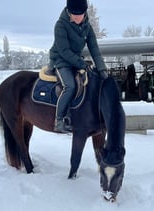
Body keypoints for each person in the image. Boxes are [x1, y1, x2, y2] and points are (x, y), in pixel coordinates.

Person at [49, 0, 108, 133]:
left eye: (80, 14)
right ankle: (59, 120)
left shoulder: (87, 26)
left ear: (85, 12)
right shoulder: (60, 25)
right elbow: (64, 51)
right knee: (70, 86)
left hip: (75, 60)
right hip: (61, 60)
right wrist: (82, 63)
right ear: (68, 12)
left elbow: (94, 49)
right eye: (73, 14)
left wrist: (102, 69)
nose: (76, 17)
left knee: (93, 81)